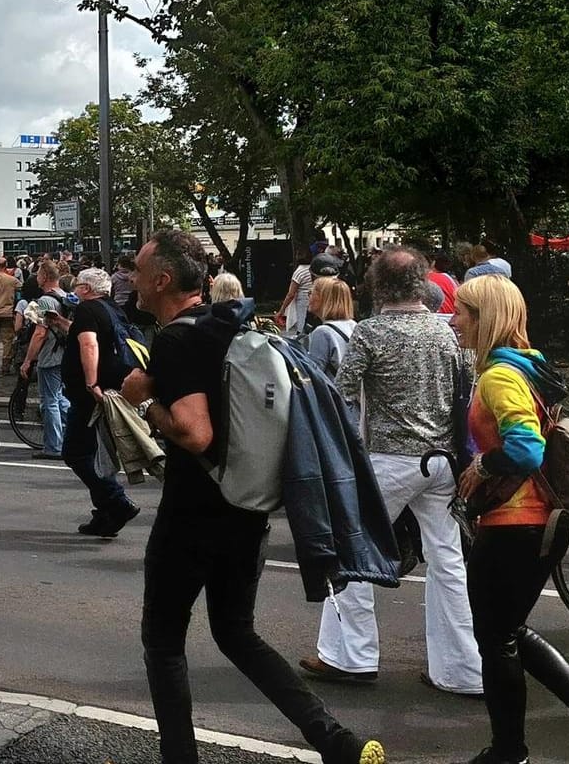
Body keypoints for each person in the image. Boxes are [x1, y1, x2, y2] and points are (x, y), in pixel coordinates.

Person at [130, 229, 385, 764]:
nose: (131, 278)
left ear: (163, 279)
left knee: (163, 641)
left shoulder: (176, 339)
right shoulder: (231, 326)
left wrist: (146, 405)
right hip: (247, 509)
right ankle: (334, 740)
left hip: (192, 513)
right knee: (237, 633)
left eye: (138, 269)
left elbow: (195, 432)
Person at [447, 275, 569, 764]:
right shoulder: (531, 365)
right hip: (535, 524)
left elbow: (526, 447)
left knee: (496, 641)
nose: (454, 321)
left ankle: (511, 752)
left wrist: (481, 464)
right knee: (507, 633)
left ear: (485, 318)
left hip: (517, 524)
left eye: (463, 313)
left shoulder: (499, 375)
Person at [301, 247, 481, 698]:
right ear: (421, 282)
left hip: (390, 458)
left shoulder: (371, 332)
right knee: (448, 564)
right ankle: (462, 669)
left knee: (353, 551)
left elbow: (339, 392)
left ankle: (351, 656)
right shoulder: (446, 334)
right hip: (442, 461)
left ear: (377, 285)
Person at [61, 266, 139, 537]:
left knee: (75, 452)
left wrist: (91, 382)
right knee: (96, 453)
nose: (74, 289)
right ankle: (105, 515)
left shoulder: (86, 309)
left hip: (91, 394)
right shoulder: (112, 309)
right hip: (115, 386)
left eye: (77, 285)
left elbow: (90, 344)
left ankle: (116, 501)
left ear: (86, 289)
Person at [17, 262, 73, 459]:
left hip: (50, 355)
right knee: (60, 399)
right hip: (65, 354)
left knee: (49, 402)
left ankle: (53, 447)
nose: (36, 277)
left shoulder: (44, 301)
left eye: (39, 273)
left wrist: (28, 360)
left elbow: (40, 333)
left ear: (45, 276)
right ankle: (79, 433)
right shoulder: (66, 296)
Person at [303, 277, 359, 383]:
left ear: (323, 298)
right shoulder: (354, 325)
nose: (308, 298)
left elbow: (314, 374)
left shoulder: (322, 332)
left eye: (311, 292)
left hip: (332, 396)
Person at [279, 246, 315, 341]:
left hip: (302, 302)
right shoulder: (313, 270)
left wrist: (282, 310)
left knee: (302, 330)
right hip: (314, 301)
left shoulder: (299, 272)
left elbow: (291, 294)